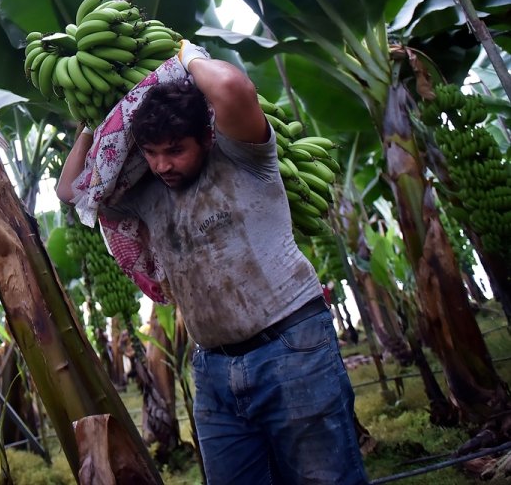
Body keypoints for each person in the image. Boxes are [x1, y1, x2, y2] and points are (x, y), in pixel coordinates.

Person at [56, 42, 368, 485]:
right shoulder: (146, 192)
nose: (162, 164)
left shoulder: (245, 157)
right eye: (151, 152)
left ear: (207, 136)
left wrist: (186, 56)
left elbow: (232, 89)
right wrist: (97, 124)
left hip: (290, 346)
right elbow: (71, 190)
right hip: (214, 368)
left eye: (174, 150)